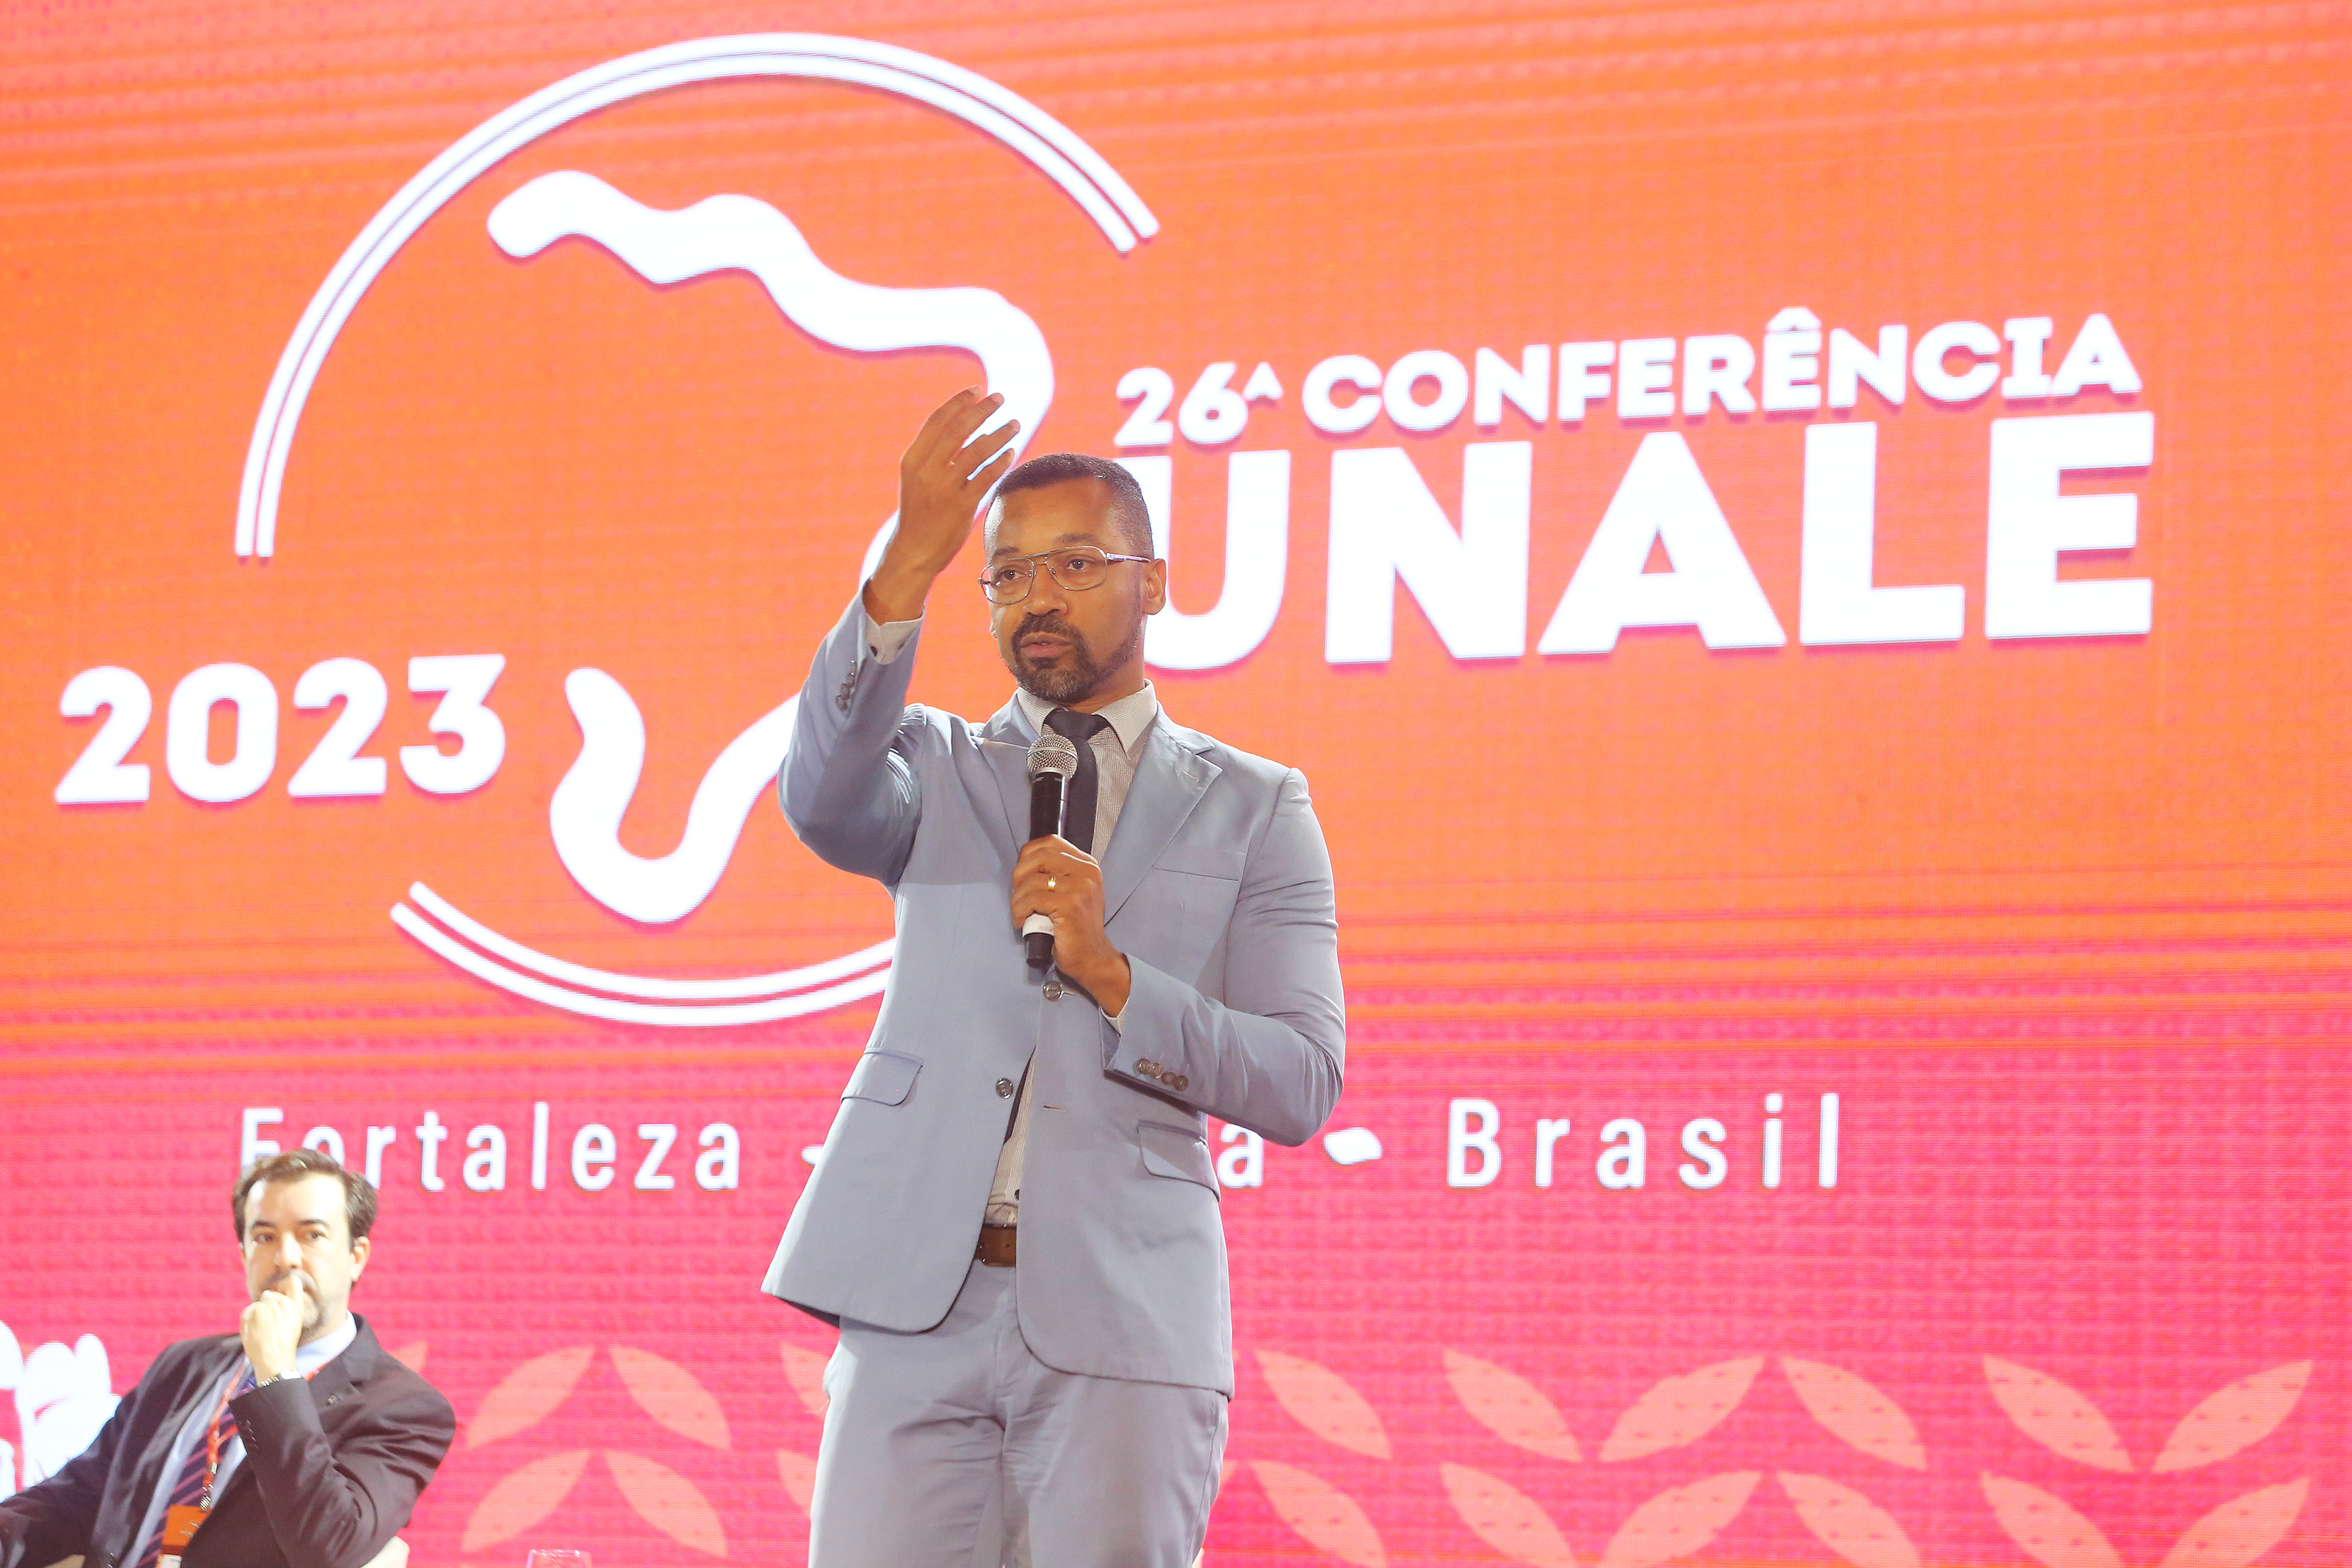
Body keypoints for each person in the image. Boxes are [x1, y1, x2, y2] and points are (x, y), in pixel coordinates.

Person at [763, 387, 1347, 1566]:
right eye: (1008, 574)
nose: (1037, 596)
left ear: (1154, 582)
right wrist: (906, 566)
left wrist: (1115, 976)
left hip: (1125, 1318)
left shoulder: (1254, 803)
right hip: (912, 1304)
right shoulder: (932, 761)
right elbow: (820, 796)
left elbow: (1300, 1079)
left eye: (1075, 565)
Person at [0, 1149, 454, 1568]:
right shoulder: (186, 1365)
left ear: (356, 1257)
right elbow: (77, 1498)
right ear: (244, 1255)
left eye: (312, 1235)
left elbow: (327, 1547)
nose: (286, 1258)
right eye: (265, 1237)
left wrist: (276, 1376)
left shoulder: (404, 1409)